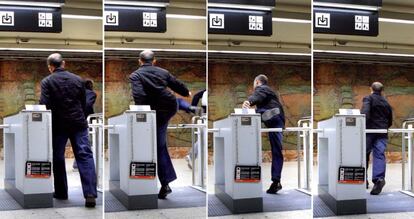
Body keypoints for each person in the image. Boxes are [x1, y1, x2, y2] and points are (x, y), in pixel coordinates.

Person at [129, 50, 191, 199]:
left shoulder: (135, 75)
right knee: (158, 143)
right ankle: (165, 182)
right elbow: (177, 85)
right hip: (169, 107)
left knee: (159, 145)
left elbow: (139, 96)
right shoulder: (163, 72)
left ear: (140, 61)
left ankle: (165, 183)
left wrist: (143, 113)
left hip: (154, 111)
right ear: (154, 60)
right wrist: (186, 92)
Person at [40, 53, 97, 207]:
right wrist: (80, 116)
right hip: (78, 123)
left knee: (58, 157)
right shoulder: (78, 80)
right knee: (84, 155)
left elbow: (44, 104)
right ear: (63, 63)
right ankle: (90, 193)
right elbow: (84, 103)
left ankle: (61, 192)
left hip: (58, 125)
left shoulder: (47, 81)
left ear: (50, 67)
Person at [242, 74, 285, 194]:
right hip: (278, 122)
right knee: (277, 151)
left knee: (255, 112)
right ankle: (276, 182)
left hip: (273, 116)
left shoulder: (263, 88)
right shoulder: (270, 92)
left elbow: (258, 95)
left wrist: (249, 101)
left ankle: (264, 114)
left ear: (257, 82)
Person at [361, 82, 393, 195]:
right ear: (382, 90)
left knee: (363, 154)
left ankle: (362, 180)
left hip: (369, 131)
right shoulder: (386, 102)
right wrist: (384, 127)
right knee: (379, 154)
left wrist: (363, 127)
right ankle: (379, 179)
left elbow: (365, 113)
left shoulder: (368, 98)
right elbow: (390, 119)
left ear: (371, 89)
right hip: (382, 131)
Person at [73, 79, 97, 170]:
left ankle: (76, 164)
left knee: (77, 142)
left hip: (73, 118)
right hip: (83, 120)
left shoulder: (77, 92)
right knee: (84, 142)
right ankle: (81, 165)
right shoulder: (91, 93)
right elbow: (87, 106)